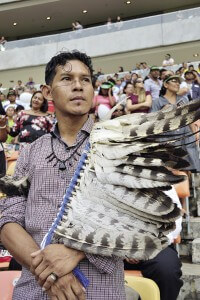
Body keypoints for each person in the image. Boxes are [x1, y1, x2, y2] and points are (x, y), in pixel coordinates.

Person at [0, 50, 127, 300]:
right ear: (48, 92)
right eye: (67, 79)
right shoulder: (29, 153)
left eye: (86, 79)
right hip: (34, 289)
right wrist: (50, 273)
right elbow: (7, 223)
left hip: (98, 289)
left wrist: (76, 252)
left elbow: (134, 218)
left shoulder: (118, 148)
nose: (78, 86)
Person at [152, 74, 200, 173]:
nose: (177, 83)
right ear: (166, 85)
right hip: (168, 136)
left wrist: (194, 134)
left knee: (188, 163)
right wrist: (162, 113)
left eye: (178, 82)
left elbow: (189, 117)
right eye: (174, 81)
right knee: (172, 166)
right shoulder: (157, 102)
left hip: (186, 134)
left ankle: (188, 187)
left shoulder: (184, 99)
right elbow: (153, 122)